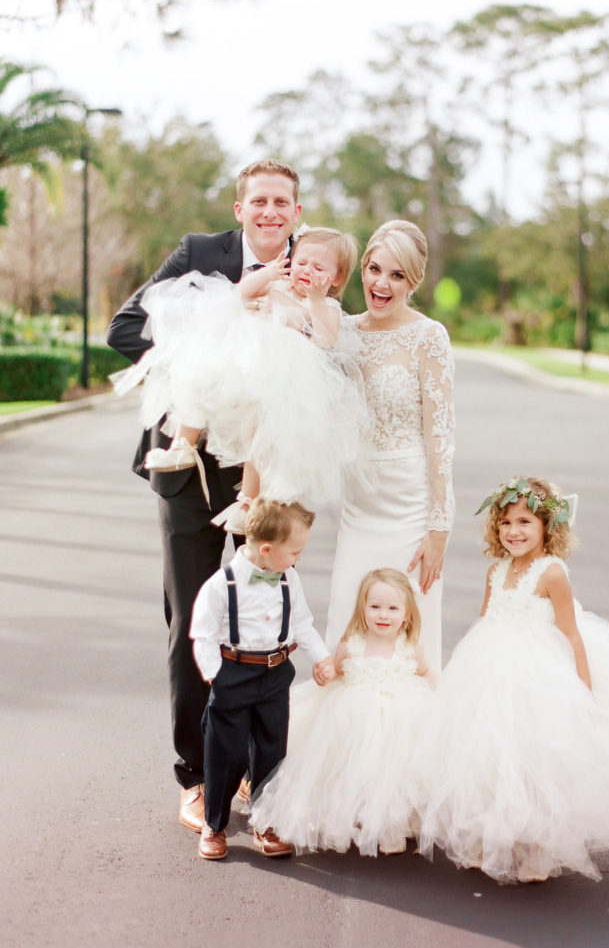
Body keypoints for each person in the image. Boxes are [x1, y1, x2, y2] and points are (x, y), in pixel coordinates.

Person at [106, 159, 302, 833]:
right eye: (260, 200)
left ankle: (254, 768)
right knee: (193, 616)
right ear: (241, 207)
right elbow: (124, 330)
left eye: (283, 202)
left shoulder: (315, 265)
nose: (271, 211)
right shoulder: (199, 256)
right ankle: (194, 774)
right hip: (186, 469)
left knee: (265, 621)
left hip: (266, 474)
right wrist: (232, 304)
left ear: (296, 213)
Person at [418, 475, 609, 884]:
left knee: (537, 758)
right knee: (491, 754)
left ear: (547, 527)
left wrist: (583, 687)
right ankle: (490, 836)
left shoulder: (552, 574)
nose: (515, 531)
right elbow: (485, 618)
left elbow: (571, 631)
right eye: (507, 523)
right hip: (491, 669)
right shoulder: (495, 571)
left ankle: (540, 849)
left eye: (525, 522)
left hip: (538, 675)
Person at [112, 226, 364, 533]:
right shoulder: (276, 285)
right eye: (301, 262)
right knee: (199, 373)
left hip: (279, 381)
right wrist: (268, 273)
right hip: (241, 364)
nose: (306, 271)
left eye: (319, 267)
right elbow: (239, 293)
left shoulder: (325, 307)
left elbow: (326, 339)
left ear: (336, 278)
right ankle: (182, 445)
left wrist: (312, 304)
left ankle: (247, 500)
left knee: (258, 435)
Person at [325, 220, 455, 670]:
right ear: (362, 268)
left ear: (413, 281)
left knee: (408, 640)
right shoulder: (341, 331)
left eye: (397, 275)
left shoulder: (428, 337)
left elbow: (440, 435)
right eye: (375, 269)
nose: (382, 284)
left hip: (410, 508)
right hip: (359, 505)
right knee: (348, 618)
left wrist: (439, 526)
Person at [250, 568, 436, 857]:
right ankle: (359, 820)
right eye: (375, 607)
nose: (383, 615)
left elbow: (426, 673)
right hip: (355, 717)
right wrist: (325, 673)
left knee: (394, 773)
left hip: (399, 718)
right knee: (354, 770)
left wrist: (441, 703)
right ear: (362, 609)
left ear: (407, 613)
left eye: (393, 608)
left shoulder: (409, 647)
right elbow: (335, 671)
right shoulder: (351, 645)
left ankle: (391, 826)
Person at [189, 498, 335, 860]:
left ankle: (266, 821)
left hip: (275, 675)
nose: (298, 559)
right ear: (266, 550)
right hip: (233, 674)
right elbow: (203, 635)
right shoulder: (221, 586)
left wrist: (321, 658)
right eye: (295, 552)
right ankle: (215, 823)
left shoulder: (289, 578)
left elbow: (301, 623)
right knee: (226, 753)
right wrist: (215, 677)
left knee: (271, 752)